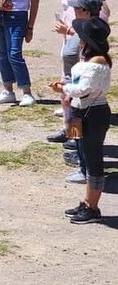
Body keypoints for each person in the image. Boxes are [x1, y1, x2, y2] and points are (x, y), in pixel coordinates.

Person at [50, 16, 111, 224]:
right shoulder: (94, 59)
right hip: (85, 112)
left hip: (92, 114)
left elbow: (82, 89)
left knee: (93, 162)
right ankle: (87, 203)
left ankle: (93, 208)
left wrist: (63, 88)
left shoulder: (96, 63)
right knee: (86, 158)